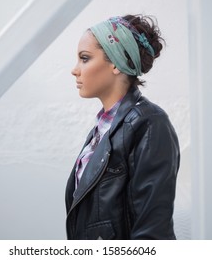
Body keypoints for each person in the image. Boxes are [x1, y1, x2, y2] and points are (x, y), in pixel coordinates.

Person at [65, 14, 180, 240]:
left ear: (116, 63)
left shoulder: (150, 124)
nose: (75, 70)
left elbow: (153, 233)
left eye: (85, 58)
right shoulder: (103, 127)